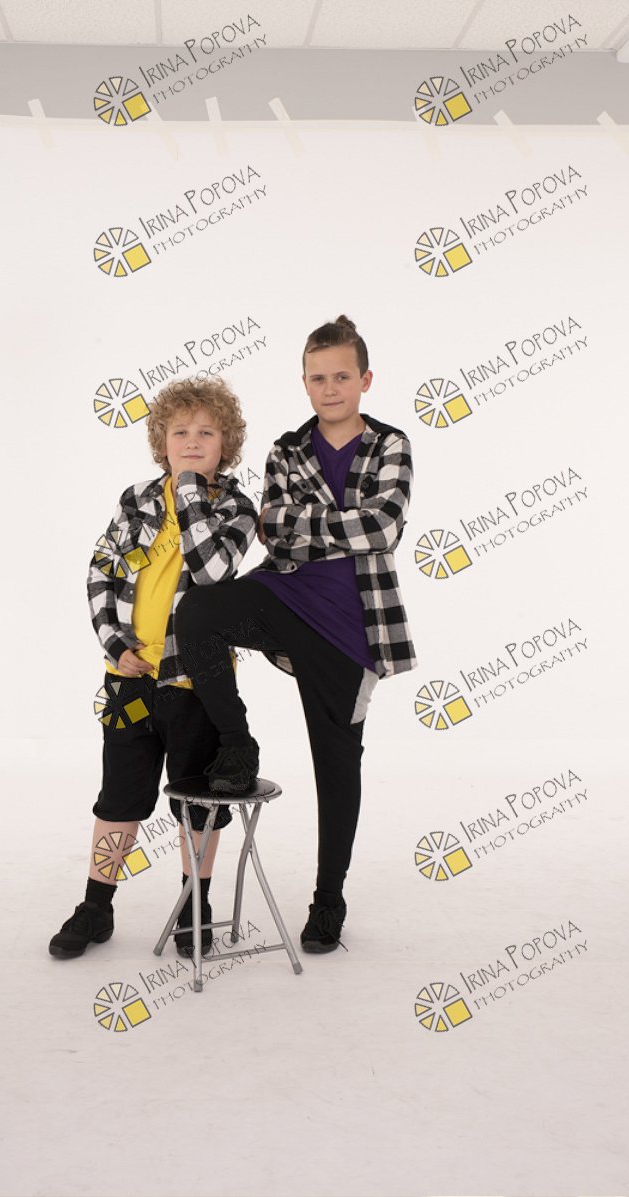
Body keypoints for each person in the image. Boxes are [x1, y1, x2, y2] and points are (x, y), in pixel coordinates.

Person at [175, 315, 417, 953]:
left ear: (365, 380)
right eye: (318, 378)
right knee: (198, 610)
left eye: (342, 376)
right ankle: (237, 744)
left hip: (351, 628)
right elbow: (274, 533)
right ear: (304, 383)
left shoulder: (391, 444)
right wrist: (333, 522)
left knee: (336, 765)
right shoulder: (287, 448)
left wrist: (302, 520)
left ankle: (328, 899)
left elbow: (383, 528)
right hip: (285, 596)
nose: (330, 388)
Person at [49, 377, 257, 960]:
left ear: (226, 444)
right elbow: (102, 571)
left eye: (206, 432)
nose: (191, 441)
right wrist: (114, 643)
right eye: (180, 431)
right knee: (119, 795)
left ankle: (196, 905)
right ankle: (96, 905)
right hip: (129, 680)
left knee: (197, 802)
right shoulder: (136, 500)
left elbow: (212, 571)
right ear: (161, 441)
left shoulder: (237, 508)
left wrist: (190, 491)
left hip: (196, 681)